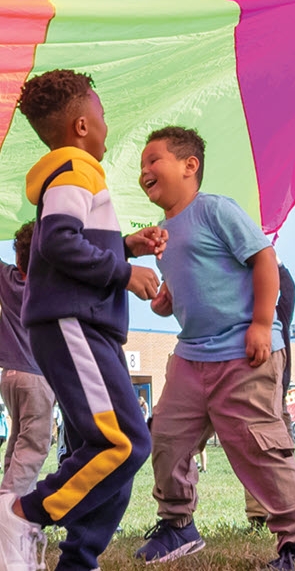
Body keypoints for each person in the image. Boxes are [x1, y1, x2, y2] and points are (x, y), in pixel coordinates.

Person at [135, 126, 295, 569]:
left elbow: (263, 259)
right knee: (165, 437)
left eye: (153, 160)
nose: (144, 170)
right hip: (191, 355)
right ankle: (177, 524)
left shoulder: (214, 209)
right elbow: (187, 292)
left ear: (189, 165)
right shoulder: (161, 234)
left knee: (258, 446)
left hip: (244, 351)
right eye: (141, 166)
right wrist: (166, 304)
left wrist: (261, 322)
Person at [0, 69, 164, 571]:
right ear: (80, 125)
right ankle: (24, 511)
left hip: (87, 327)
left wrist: (124, 243)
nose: (105, 120)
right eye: (101, 111)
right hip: (73, 324)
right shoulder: (75, 168)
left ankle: (79, 560)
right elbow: (57, 240)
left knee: (115, 451)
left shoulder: (71, 172)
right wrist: (124, 270)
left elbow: (68, 236)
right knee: (124, 442)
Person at [0, 221, 55, 499]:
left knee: (18, 443)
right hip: (37, 377)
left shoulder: (7, 279)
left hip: (9, 377)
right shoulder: (50, 288)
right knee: (33, 447)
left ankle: (7, 499)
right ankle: (10, 516)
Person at [245, 260, 295, 529]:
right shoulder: (252, 314)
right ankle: (260, 513)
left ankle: (278, 509)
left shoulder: (278, 313)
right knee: (263, 450)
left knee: (270, 451)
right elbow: (289, 289)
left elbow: (288, 289)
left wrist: (273, 261)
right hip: (263, 392)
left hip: (275, 393)